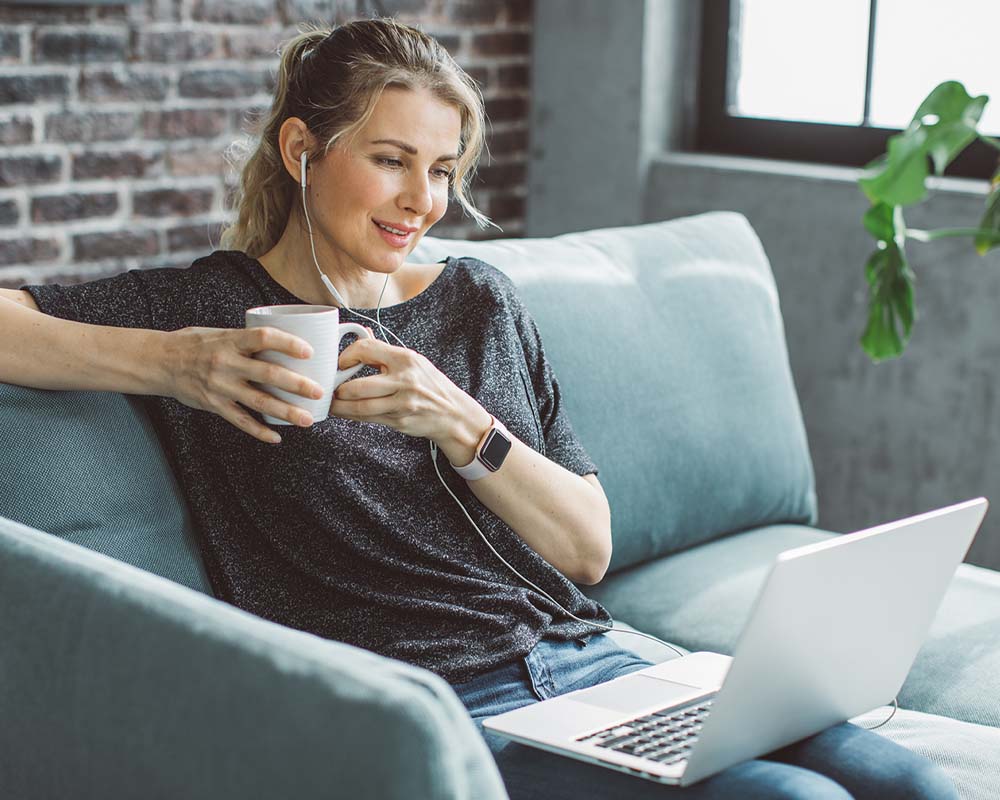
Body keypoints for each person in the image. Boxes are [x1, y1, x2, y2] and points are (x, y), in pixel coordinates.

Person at [0, 18, 958, 800]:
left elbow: (587, 551)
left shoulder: (478, 301)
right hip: (451, 703)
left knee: (912, 784)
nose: (424, 199)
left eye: (445, 169)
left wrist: (458, 419)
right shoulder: (213, 309)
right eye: (390, 160)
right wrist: (178, 365)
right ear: (303, 148)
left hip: (602, 656)